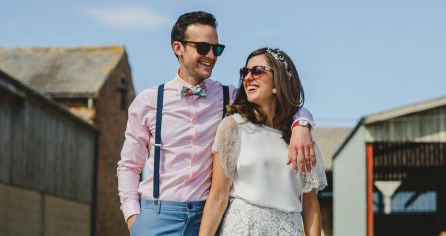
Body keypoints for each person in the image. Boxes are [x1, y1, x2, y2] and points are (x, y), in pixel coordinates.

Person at [117, 11, 316, 236]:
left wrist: (301, 124)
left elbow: (277, 100)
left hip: (209, 216)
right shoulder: (148, 101)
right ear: (178, 48)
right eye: (203, 48)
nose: (211, 55)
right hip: (157, 215)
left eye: (216, 49)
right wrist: (133, 217)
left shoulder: (229, 96)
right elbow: (129, 166)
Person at [198, 48, 328, 236]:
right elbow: (218, 196)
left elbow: (311, 207)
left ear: (279, 79)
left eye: (257, 71)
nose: (248, 77)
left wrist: (301, 126)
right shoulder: (233, 127)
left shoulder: (301, 140)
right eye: (245, 72)